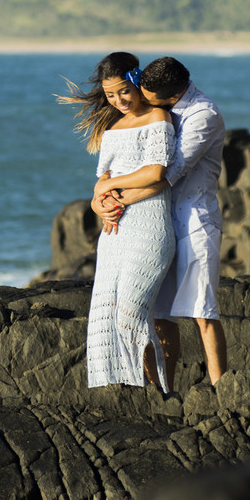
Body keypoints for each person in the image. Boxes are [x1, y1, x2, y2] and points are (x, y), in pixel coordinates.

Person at [97, 56, 227, 390]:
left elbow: (167, 173)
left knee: (202, 311)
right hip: (158, 221)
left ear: (171, 97)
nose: (137, 99)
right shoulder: (158, 100)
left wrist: (113, 198)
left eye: (146, 96)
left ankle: (221, 390)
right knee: (159, 315)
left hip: (195, 221)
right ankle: (163, 390)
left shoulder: (204, 115)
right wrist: (101, 201)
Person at [58, 52, 175, 390]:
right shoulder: (112, 128)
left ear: (137, 82)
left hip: (150, 229)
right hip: (114, 234)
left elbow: (157, 171)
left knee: (131, 313)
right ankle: (126, 392)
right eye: (111, 94)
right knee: (105, 319)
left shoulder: (159, 117)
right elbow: (99, 184)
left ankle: (158, 391)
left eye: (124, 90)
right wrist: (98, 204)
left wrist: (109, 186)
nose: (119, 100)